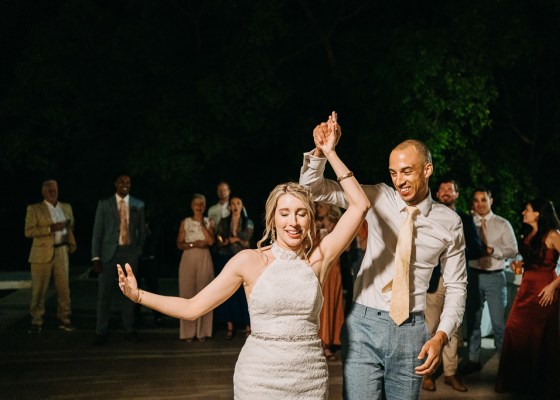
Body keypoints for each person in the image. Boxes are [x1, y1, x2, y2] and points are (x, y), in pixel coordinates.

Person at [117, 112, 370, 399]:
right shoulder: (249, 261)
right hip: (259, 380)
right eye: (284, 213)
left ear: (310, 220)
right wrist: (139, 296)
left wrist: (329, 154)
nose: (293, 222)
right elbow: (193, 307)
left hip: (309, 379)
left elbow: (360, 204)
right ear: (272, 220)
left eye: (301, 213)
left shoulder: (318, 258)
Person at [300, 136, 467, 399]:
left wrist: (440, 336)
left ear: (427, 169)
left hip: (412, 331)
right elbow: (314, 189)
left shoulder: (450, 222)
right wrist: (321, 152)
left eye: (406, 171)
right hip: (363, 326)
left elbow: (457, 287)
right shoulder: (379, 195)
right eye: (393, 173)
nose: (399, 181)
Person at [495, 199, 560, 398]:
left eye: (527, 210)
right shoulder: (530, 234)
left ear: (538, 213)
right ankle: (521, 382)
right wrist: (519, 264)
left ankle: (537, 386)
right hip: (526, 288)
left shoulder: (553, 234)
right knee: (514, 329)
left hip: (544, 289)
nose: (523, 212)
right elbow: (532, 260)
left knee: (538, 336)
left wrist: (553, 285)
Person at [422, 179, 483, 392]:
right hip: (432, 280)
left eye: (451, 189)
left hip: (455, 280)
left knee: (453, 329)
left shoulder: (465, 220)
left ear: (457, 194)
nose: (447, 192)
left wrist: (453, 252)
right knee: (430, 327)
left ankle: (450, 373)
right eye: (443, 189)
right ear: (437, 194)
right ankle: (427, 373)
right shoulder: (428, 215)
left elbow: (477, 249)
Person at [462, 188, 518, 374]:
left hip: (496, 276)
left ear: (491, 200)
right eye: (476, 200)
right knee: (473, 321)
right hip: (474, 275)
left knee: (499, 323)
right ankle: (473, 359)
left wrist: (494, 250)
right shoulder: (467, 224)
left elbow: (513, 250)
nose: (480, 204)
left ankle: (504, 362)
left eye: (483, 200)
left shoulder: (502, 223)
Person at [91, 174, 146, 345]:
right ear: (115, 184)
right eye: (122, 182)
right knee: (104, 293)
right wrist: (96, 257)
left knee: (130, 293)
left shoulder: (138, 204)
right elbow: (97, 232)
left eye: (128, 182)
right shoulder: (104, 204)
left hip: (129, 252)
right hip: (109, 253)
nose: (125, 184)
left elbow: (142, 230)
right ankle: (101, 330)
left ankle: (129, 328)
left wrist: (138, 250)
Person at [24, 179, 77, 333]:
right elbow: (28, 231)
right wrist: (49, 228)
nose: (53, 193)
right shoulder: (34, 209)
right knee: (39, 290)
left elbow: (70, 226)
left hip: (61, 252)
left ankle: (64, 318)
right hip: (41, 254)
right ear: (43, 192)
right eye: (49, 190)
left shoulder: (66, 207)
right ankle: (36, 320)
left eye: (54, 190)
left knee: (64, 289)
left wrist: (71, 243)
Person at [214, 195, 254, 339]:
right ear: (229, 207)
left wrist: (236, 239)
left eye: (238, 203)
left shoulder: (247, 222)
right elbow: (218, 240)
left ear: (242, 206)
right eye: (233, 204)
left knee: (244, 294)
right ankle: (229, 326)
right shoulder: (224, 222)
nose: (236, 206)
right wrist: (224, 241)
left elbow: (247, 243)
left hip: (242, 259)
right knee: (228, 293)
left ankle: (248, 326)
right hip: (226, 258)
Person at [176, 194, 215, 342]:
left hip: (204, 258)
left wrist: (201, 224)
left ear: (204, 207)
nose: (199, 207)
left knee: (205, 294)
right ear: (192, 206)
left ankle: (203, 332)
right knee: (187, 293)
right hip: (188, 258)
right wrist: (193, 244)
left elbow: (211, 241)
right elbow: (179, 244)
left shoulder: (208, 221)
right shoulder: (185, 222)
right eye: (196, 204)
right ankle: (188, 333)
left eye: (201, 205)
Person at [315, 201, 345, 361]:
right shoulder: (314, 224)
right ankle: (320, 343)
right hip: (319, 268)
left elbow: (345, 247)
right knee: (320, 306)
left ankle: (328, 342)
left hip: (333, 269)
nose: (317, 208)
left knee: (331, 305)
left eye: (320, 206)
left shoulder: (337, 225)